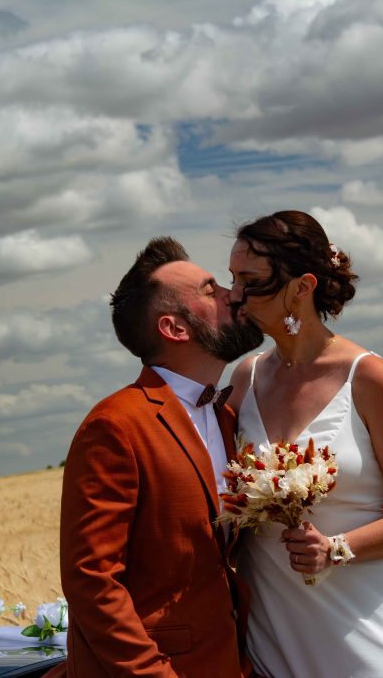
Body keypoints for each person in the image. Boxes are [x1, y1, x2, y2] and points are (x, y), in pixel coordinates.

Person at [226, 211, 383, 678]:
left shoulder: (367, 376)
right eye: (232, 278)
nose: (235, 296)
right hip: (277, 641)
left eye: (250, 280)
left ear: (301, 288)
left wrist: (335, 548)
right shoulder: (245, 378)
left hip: (371, 632)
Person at [50, 237, 264, 678]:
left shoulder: (226, 415)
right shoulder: (116, 425)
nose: (233, 293)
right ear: (175, 328)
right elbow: (92, 581)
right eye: (210, 290)